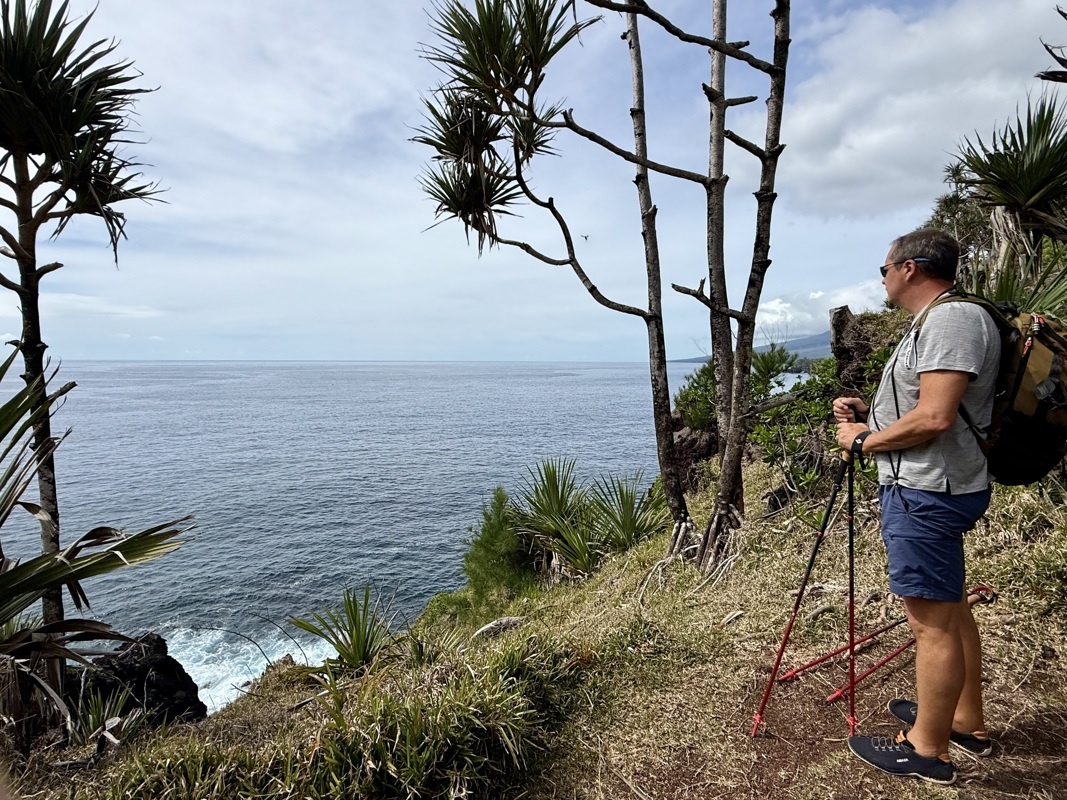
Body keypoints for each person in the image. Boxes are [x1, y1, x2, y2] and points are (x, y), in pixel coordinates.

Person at [833, 228, 1000, 786]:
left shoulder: (951, 319)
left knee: (930, 622)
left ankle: (927, 749)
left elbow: (935, 418)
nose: (881, 278)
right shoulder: (937, 321)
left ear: (910, 268)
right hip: (935, 484)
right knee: (949, 608)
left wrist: (862, 441)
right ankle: (961, 720)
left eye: (884, 269)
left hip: (929, 490)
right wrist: (870, 413)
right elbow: (927, 405)